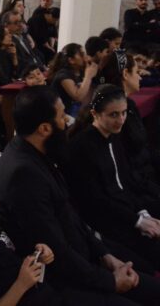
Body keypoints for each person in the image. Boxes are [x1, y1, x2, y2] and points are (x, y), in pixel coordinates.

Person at [0, 85, 160, 304]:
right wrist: (110, 281)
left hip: (85, 255)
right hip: (63, 281)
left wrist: (105, 255)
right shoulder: (23, 174)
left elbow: (70, 214)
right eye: (62, 116)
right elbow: (56, 252)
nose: (68, 121)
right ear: (44, 128)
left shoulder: (34, 153)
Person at [64, 85, 160, 269]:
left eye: (124, 113)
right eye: (113, 115)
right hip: (104, 219)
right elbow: (95, 200)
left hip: (125, 208)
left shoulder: (114, 135)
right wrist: (138, 221)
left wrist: (143, 213)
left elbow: (126, 181)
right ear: (95, 114)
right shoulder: (81, 147)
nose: (121, 120)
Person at [97, 50, 160, 192]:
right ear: (125, 74)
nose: (140, 77)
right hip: (137, 184)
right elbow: (125, 163)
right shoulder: (114, 113)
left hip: (145, 174)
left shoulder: (128, 104)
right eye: (136, 72)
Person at [47, 43, 97, 116]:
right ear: (71, 60)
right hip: (62, 114)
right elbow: (78, 96)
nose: (86, 57)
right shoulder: (63, 75)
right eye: (82, 54)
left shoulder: (80, 71)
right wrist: (88, 76)